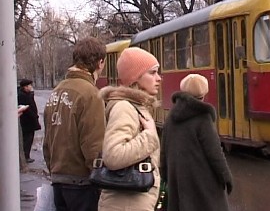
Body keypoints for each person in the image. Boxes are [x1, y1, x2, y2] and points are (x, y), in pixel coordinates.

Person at [43, 37, 106, 211]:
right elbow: (94, 146)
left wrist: (53, 170)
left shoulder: (56, 92)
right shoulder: (91, 94)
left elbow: (47, 141)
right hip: (82, 184)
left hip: (58, 179)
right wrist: (101, 182)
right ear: (100, 63)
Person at [98, 47, 161, 211]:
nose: (159, 78)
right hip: (125, 205)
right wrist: (149, 136)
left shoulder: (137, 106)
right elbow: (113, 155)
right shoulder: (124, 108)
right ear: (136, 78)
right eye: (152, 73)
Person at [160, 74, 233, 211]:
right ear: (204, 93)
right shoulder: (203, 118)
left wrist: (165, 175)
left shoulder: (171, 117)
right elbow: (214, 152)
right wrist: (226, 177)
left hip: (178, 182)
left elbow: (164, 151)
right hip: (203, 185)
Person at [18, 79, 41, 163]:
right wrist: (34, 116)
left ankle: (26, 155)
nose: (31, 87)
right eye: (29, 85)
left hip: (29, 120)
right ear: (25, 87)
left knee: (28, 138)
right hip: (27, 121)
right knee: (27, 139)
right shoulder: (23, 96)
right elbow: (28, 108)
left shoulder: (27, 94)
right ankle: (26, 156)